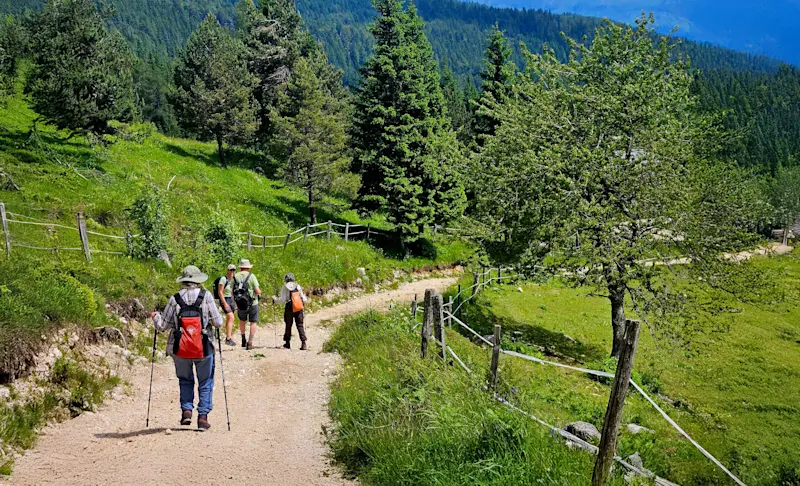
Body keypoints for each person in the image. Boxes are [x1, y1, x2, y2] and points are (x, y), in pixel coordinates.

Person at [153, 265, 222, 430]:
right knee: (205, 381)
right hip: (203, 348)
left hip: (180, 349)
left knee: (185, 380)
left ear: (183, 281)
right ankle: (203, 418)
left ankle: (186, 412)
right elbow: (218, 322)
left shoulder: (175, 298)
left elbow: (163, 326)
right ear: (197, 280)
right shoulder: (206, 296)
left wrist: (156, 317)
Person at [273, 273, 309, 350]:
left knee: (288, 325)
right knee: (300, 325)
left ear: (286, 279)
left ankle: (287, 343)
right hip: (298, 308)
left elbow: (282, 300)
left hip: (289, 308)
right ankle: (303, 343)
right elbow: (303, 297)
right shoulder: (298, 286)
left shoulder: (285, 287)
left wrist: (275, 300)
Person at [233, 259, 261, 350]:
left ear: (240, 267)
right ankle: (250, 342)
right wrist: (260, 293)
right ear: (248, 268)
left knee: (242, 320)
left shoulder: (235, 276)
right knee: (253, 322)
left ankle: (243, 339)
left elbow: (232, 291)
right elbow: (257, 291)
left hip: (240, 303)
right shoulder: (251, 276)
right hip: (252, 303)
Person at [216, 264, 237, 346]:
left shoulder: (234, 280)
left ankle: (228, 337)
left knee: (229, 318)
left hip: (231, 299)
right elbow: (220, 292)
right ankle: (228, 338)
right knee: (231, 317)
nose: (232, 272)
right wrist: (224, 303)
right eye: (231, 270)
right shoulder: (223, 279)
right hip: (225, 299)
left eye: (233, 270)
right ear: (227, 270)